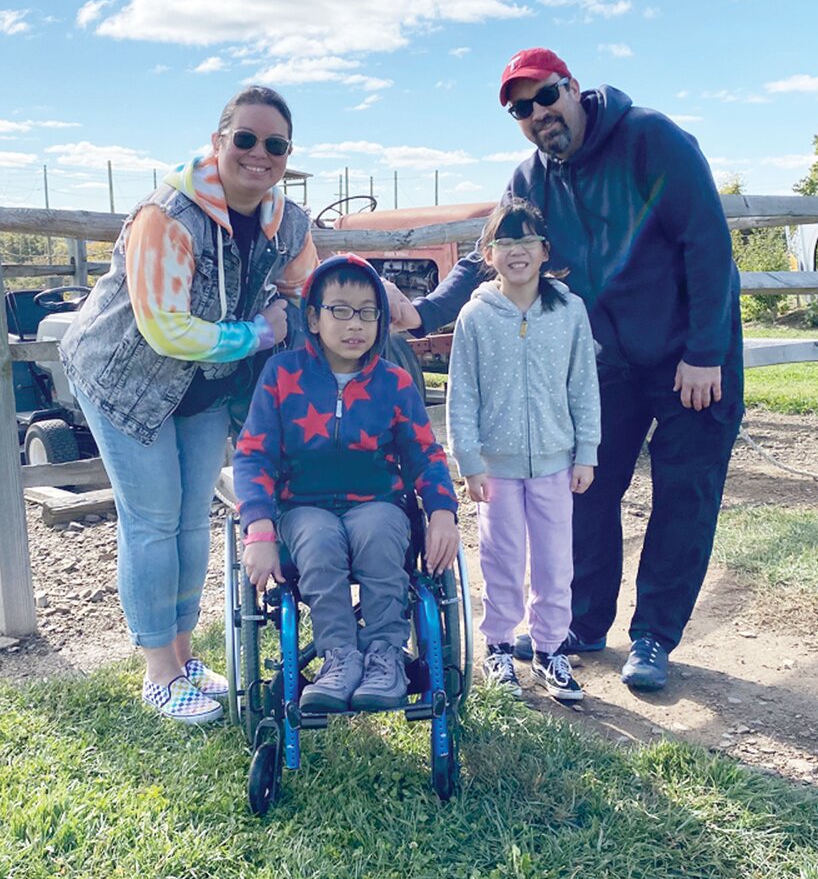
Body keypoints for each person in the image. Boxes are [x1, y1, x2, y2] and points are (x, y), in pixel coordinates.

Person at [389, 48, 743, 693]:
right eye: (520, 109)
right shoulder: (532, 177)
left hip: (690, 353)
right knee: (588, 489)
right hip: (609, 357)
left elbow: (708, 243)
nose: (537, 114)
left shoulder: (650, 140)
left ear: (572, 87)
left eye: (545, 97)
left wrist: (707, 352)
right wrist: (422, 313)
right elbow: (483, 255)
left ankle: (654, 637)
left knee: (683, 496)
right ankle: (581, 624)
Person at [59, 85, 318, 725]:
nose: (260, 154)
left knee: (190, 521)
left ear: (288, 154)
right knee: (151, 519)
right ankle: (159, 673)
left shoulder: (287, 224)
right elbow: (165, 329)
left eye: (276, 145)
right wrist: (262, 332)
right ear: (218, 142)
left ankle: (183, 654)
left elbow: (309, 289)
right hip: (126, 378)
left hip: (204, 385)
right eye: (246, 139)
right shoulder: (168, 217)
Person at [236, 254, 459, 713]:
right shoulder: (282, 376)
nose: (354, 324)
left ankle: (385, 657)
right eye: (340, 309)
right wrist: (258, 529)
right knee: (317, 542)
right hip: (302, 506)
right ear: (313, 318)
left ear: (381, 319)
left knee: (380, 534)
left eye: (367, 311)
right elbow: (254, 452)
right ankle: (339, 657)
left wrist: (442, 511)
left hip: (377, 502)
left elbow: (425, 453)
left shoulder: (394, 383)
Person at [446, 198, 599, 703]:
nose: (516, 251)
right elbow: (461, 393)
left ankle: (551, 649)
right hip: (497, 467)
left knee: (556, 559)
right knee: (502, 557)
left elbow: (584, 385)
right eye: (504, 241)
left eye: (526, 240)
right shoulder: (475, 316)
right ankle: (499, 647)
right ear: (488, 253)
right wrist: (468, 461)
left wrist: (586, 451)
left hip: (557, 461)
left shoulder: (569, 311)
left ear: (544, 250)